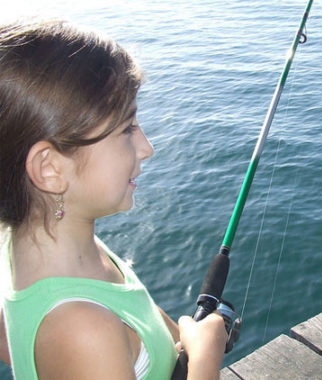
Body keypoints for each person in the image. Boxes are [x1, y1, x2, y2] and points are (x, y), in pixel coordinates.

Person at [0, 20, 227, 379]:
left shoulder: (40, 241)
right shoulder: (81, 330)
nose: (147, 148)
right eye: (126, 129)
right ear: (50, 169)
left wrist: (174, 340)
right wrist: (204, 360)